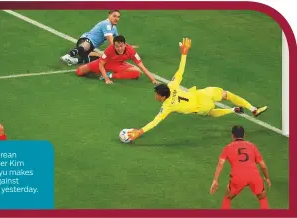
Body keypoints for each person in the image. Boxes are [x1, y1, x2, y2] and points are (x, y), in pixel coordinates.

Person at [128, 38, 267, 141]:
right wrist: (184, 53)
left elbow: (155, 121)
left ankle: (233, 110)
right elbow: (180, 70)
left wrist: (140, 131)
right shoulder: (172, 86)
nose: (155, 96)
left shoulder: (167, 106)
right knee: (226, 94)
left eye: (156, 95)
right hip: (201, 94)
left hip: (201, 105)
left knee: (210, 112)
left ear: (163, 97)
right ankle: (252, 108)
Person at [209, 125, 271, 209]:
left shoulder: (228, 147)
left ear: (232, 135)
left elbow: (221, 162)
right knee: (262, 198)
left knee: (228, 198)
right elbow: (263, 166)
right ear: (244, 135)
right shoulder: (252, 146)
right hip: (254, 176)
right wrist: (267, 178)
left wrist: (215, 180)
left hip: (238, 177)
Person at [75, 35, 158, 85]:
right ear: (114, 45)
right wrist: (107, 80)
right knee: (79, 71)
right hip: (105, 64)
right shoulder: (109, 49)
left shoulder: (131, 51)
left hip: (118, 65)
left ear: (125, 44)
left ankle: (110, 74)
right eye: (117, 46)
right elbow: (101, 64)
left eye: (121, 46)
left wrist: (153, 79)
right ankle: (102, 73)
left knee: (136, 73)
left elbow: (141, 66)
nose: (119, 48)